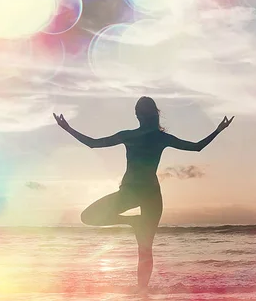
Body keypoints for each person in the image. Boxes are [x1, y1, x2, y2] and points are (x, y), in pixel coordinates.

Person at [53, 96, 234, 291]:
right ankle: (140, 281)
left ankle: (142, 295)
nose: (138, 114)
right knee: (142, 248)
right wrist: (218, 130)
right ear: (154, 114)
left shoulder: (132, 136)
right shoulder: (157, 138)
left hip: (136, 192)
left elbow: (93, 143)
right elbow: (197, 147)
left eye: (139, 111)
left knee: (137, 244)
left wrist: (68, 128)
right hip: (149, 194)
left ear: (139, 114)